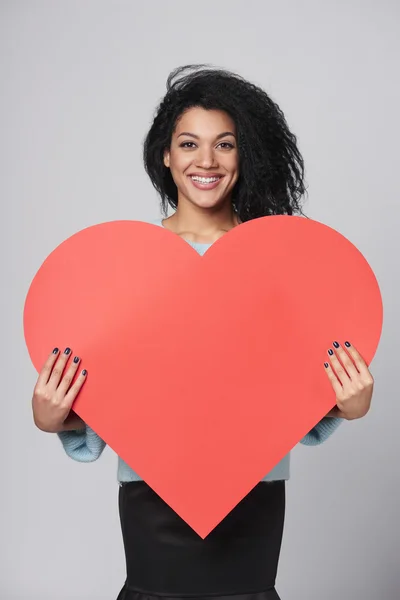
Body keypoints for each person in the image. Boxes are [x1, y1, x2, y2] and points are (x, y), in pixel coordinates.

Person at [31, 64, 375, 600]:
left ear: (245, 155)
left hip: (254, 499)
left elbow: (292, 389)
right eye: (189, 143)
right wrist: (60, 420)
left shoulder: (276, 261)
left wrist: (344, 405)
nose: (206, 161)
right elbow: (113, 381)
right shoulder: (128, 263)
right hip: (151, 497)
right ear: (165, 155)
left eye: (225, 144)